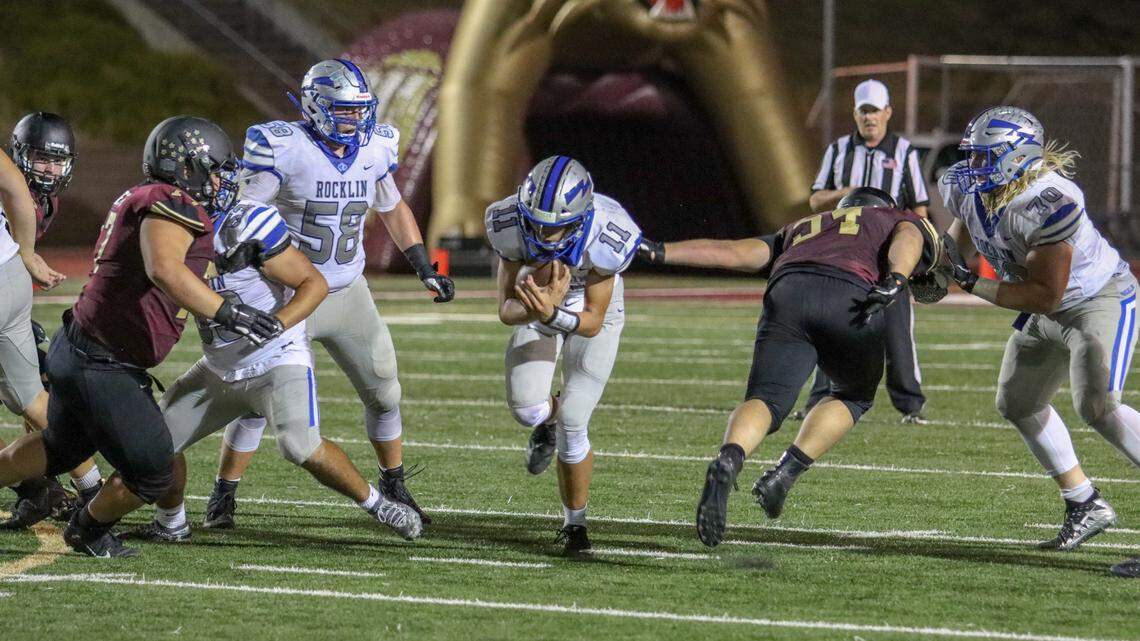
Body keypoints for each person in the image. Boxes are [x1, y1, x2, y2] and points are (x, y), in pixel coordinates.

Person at [0, 115, 282, 557]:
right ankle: (87, 529)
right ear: (186, 166)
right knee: (154, 471)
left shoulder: (145, 195)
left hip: (84, 348)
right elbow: (163, 268)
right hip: (103, 362)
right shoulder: (172, 201)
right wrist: (227, 310)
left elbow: (153, 265)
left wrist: (226, 267)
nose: (221, 179)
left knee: (58, 447)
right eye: (213, 168)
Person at [199, 58, 454, 530]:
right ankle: (224, 493)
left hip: (347, 289)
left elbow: (393, 208)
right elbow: (240, 219)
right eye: (343, 110)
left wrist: (424, 266)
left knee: (384, 390)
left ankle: (394, 482)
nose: (356, 120)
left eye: (360, 110)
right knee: (256, 394)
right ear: (315, 107)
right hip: (285, 292)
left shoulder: (375, 149)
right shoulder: (284, 148)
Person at [639, 186, 939, 547]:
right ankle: (785, 473)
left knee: (766, 399)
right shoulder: (893, 217)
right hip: (849, 295)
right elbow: (908, 234)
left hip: (788, 291)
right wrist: (897, 277)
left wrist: (659, 251)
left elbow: (735, 251)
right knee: (853, 396)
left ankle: (729, 458)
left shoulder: (806, 225)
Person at [128, 198, 421, 544]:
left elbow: (314, 283)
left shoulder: (246, 222)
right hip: (220, 367)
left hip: (275, 359)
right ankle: (171, 522)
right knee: (156, 443)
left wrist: (277, 324)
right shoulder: (167, 228)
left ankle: (379, 505)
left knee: (299, 446)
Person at [938, 106, 1140, 576]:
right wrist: (936, 262)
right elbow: (959, 238)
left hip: (1095, 298)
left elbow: (1044, 294)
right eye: (972, 156)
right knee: (1018, 401)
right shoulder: (971, 186)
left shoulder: (1049, 200)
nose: (973, 168)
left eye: (985, 159)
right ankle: (1084, 502)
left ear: (1016, 157)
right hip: (1046, 303)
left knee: (1099, 406)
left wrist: (967, 283)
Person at [485, 155, 641, 554]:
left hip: (588, 312)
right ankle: (546, 422)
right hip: (538, 303)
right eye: (535, 222)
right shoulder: (506, 220)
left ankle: (575, 525)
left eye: (554, 227)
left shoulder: (610, 230)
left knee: (575, 421)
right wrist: (539, 309)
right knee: (526, 410)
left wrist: (553, 312)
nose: (542, 234)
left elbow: (591, 321)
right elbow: (505, 310)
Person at [802, 79, 930, 424]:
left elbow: (919, 209)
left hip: (889, 250)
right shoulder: (838, 150)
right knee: (833, 324)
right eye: (864, 111)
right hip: (845, 250)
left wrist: (916, 259)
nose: (870, 117)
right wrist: (852, 190)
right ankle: (819, 399)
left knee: (897, 330)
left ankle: (910, 406)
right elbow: (815, 199)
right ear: (855, 113)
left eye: (875, 110)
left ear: (888, 111)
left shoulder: (904, 151)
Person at [0, 113, 105, 530]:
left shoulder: (40, 197)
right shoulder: (29, 191)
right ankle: (77, 488)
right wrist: (24, 255)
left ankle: (38, 488)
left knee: (33, 391)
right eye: (41, 159)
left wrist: (26, 253)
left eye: (56, 161)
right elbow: (17, 198)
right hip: (10, 282)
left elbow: (18, 200)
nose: (49, 169)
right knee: (32, 395)